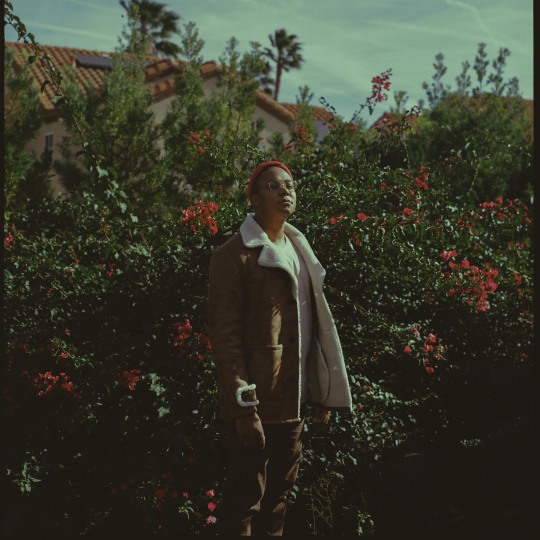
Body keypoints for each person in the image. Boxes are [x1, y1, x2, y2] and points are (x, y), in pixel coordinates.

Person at [207, 161, 352, 536]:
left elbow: (311, 330)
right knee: (245, 502)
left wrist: (319, 391)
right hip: (258, 405)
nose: (285, 190)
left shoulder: (300, 250)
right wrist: (244, 410)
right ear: (254, 199)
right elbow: (226, 341)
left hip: (294, 403)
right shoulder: (233, 256)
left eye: (289, 185)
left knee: (278, 501)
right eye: (273, 186)